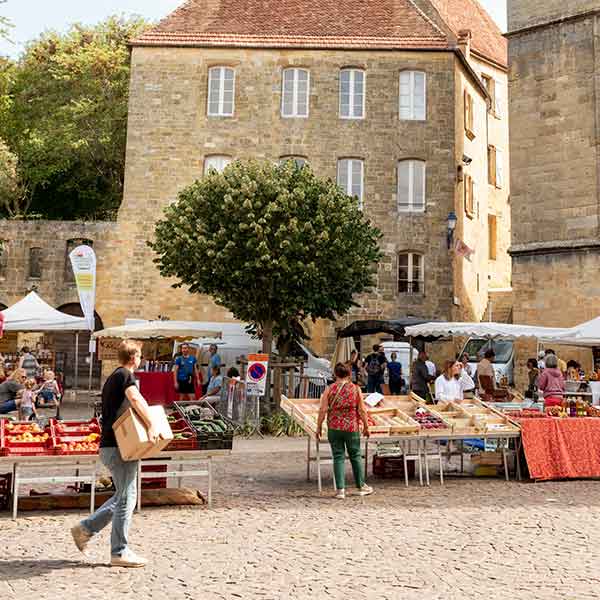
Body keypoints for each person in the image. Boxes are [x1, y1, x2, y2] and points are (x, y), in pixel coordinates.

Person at [71, 339, 160, 568]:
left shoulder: (112, 377)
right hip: (119, 447)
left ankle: (85, 529)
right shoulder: (125, 376)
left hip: (112, 445)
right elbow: (135, 398)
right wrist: (151, 424)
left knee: (124, 496)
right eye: (139, 355)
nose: (140, 360)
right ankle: (118, 552)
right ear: (133, 358)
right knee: (127, 498)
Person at [316, 362, 373, 499]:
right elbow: (362, 410)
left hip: (334, 427)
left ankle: (340, 490)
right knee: (355, 456)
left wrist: (318, 426)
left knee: (338, 457)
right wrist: (366, 426)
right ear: (349, 374)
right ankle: (360, 486)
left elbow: (323, 409)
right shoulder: (355, 389)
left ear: (335, 374)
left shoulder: (329, 389)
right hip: (351, 427)